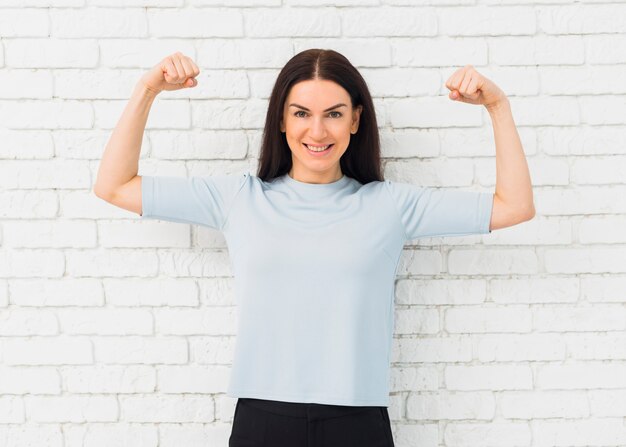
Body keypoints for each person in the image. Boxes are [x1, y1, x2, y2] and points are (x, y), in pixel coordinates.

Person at [94, 49, 534, 447]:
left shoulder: (390, 205)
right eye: (302, 113)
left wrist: (498, 107)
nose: (317, 130)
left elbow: (514, 207)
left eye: (335, 114)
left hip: (357, 422)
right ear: (282, 120)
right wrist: (147, 89)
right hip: (262, 420)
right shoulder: (239, 199)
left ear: (356, 120)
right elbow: (114, 186)